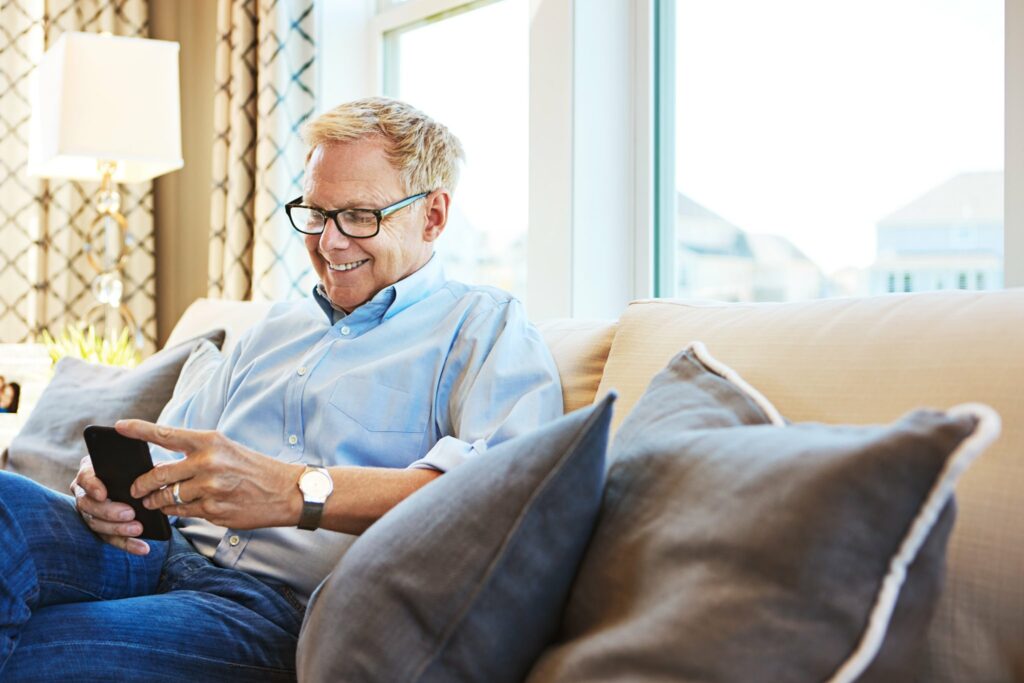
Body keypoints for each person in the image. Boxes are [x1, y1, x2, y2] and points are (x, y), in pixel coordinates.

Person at [0, 97, 563, 680]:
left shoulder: (483, 328)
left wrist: (298, 491)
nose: (330, 242)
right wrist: (108, 491)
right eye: (317, 213)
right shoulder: (271, 330)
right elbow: (169, 454)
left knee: (38, 653)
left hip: (270, 610)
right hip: (155, 552)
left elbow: (502, 495)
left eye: (360, 217)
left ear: (434, 216)